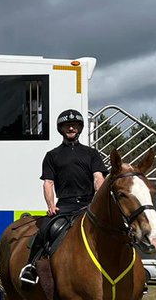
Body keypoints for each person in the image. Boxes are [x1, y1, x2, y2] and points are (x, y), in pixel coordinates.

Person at [18, 108, 107, 285]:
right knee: (45, 230)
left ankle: (135, 271)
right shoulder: (52, 156)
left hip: (88, 205)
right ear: (61, 129)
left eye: (74, 125)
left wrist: (100, 199)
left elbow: (98, 178)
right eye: (67, 125)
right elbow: (48, 183)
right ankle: (31, 267)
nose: (71, 128)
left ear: (80, 128)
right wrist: (51, 205)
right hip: (64, 206)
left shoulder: (92, 154)